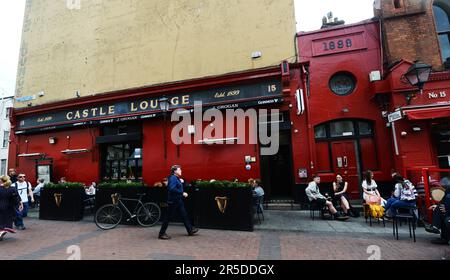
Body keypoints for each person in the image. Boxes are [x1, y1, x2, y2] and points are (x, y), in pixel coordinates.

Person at [159, 165, 198, 240]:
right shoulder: (173, 178)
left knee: (184, 215)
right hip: (173, 201)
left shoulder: (176, 178)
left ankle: (190, 230)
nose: (181, 171)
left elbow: (176, 187)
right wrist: (182, 193)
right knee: (168, 218)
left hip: (178, 200)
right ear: (175, 171)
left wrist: (181, 182)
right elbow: (171, 189)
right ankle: (161, 234)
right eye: (179, 170)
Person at [0, 175, 23, 241]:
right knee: (7, 222)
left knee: (1, 221)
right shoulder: (12, 188)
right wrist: (20, 204)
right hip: (8, 207)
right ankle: (2, 232)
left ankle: (1, 232)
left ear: (1, 180)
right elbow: (16, 198)